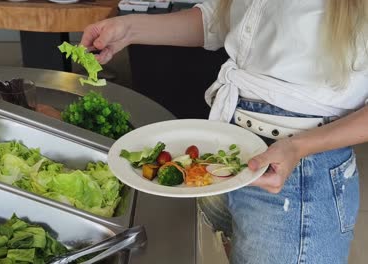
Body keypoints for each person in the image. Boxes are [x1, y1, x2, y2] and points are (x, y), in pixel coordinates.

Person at [80, 1, 368, 263]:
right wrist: (127, 29)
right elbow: (225, 20)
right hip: (229, 152)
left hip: (297, 175)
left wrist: (297, 147)